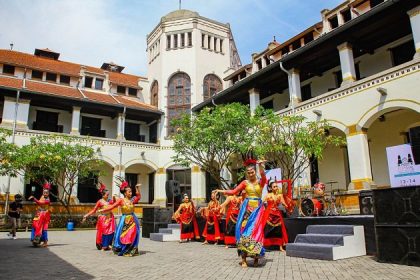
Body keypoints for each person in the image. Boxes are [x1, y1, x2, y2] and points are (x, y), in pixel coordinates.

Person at [217, 160, 267, 267]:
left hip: (257, 210)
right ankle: (244, 258)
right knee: (245, 232)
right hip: (247, 210)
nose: (250, 174)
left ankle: (256, 259)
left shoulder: (260, 182)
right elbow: (234, 192)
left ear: (255, 171)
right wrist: (221, 191)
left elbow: (263, 176)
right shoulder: (245, 183)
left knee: (256, 234)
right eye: (248, 172)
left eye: (252, 172)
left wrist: (260, 165)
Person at [100, 181, 141, 256]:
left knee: (133, 233)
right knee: (124, 235)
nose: (131, 193)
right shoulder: (121, 200)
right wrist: (103, 210)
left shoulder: (132, 200)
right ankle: (124, 248)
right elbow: (112, 206)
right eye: (129, 192)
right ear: (125, 193)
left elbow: (138, 197)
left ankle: (131, 249)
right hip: (124, 219)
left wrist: (137, 188)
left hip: (132, 219)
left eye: (131, 192)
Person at [82, 183, 116, 250]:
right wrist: (86, 215)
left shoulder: (109, 201)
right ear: (103, 195)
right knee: (104, 232)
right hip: (104, 219)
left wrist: (114, 198)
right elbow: (94, 210)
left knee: (111, 232)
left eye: (108, 195)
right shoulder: (100, 202)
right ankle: (103, 245)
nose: (108, 196)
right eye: (107, 195)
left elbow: (114, 203)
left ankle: (109, 244)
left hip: (110, 218)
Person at [263, 181, 288, 251]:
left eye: (276, 186)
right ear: (271, 188)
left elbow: (285, 204)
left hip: (277, 214)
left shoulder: (280, 196)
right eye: (274, 186)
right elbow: (261, 202)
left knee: (279, 230)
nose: (276, 187)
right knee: (267, 229)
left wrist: (288, 206)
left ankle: (280, 246)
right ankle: (265, 245)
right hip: (269, 214)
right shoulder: (268, 195)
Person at [28, 182, 51, 247]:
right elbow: (39, 203)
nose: (45, 193)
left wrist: (34, 198)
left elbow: (40, 203)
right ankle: (34, 239)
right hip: (39, 214)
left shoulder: (48, 200)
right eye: (44, 192)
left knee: (44, 229)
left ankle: (45, 242)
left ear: (48, 193)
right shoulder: (42, 196)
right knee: (34, 226)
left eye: (46, 192)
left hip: (45, 216)